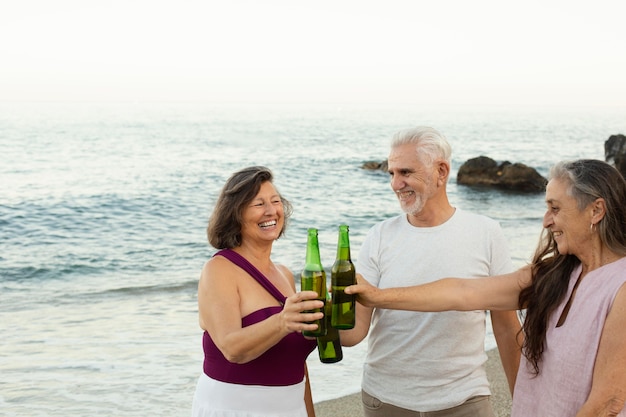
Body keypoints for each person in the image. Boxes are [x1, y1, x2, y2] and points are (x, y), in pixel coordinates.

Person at [346, 159, 626, 416]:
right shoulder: (555, 273)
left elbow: (607, 403)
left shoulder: (620, 286)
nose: (546, 220)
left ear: (596, 210)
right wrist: (377, 296)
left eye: (555, 208)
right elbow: (461, 293)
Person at [340, 126, 523, 416]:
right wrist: (322, 321)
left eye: (406, 173)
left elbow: (506, 326)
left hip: (465, 400)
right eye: (391, 173)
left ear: (441, 171)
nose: (395, 184)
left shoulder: (486, 233)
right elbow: (355, 333)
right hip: (386, 400)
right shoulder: (379, 236)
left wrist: (524, 401)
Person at [191, 166, 324, 417]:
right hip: (235, 408)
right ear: (236, 214)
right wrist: (283, 321)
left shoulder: (284, 274)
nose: (271, 210)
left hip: (289, 408)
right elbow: (232, 348)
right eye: (258, 204)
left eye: (276, 201)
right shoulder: (219, 269)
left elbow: (297, 363)